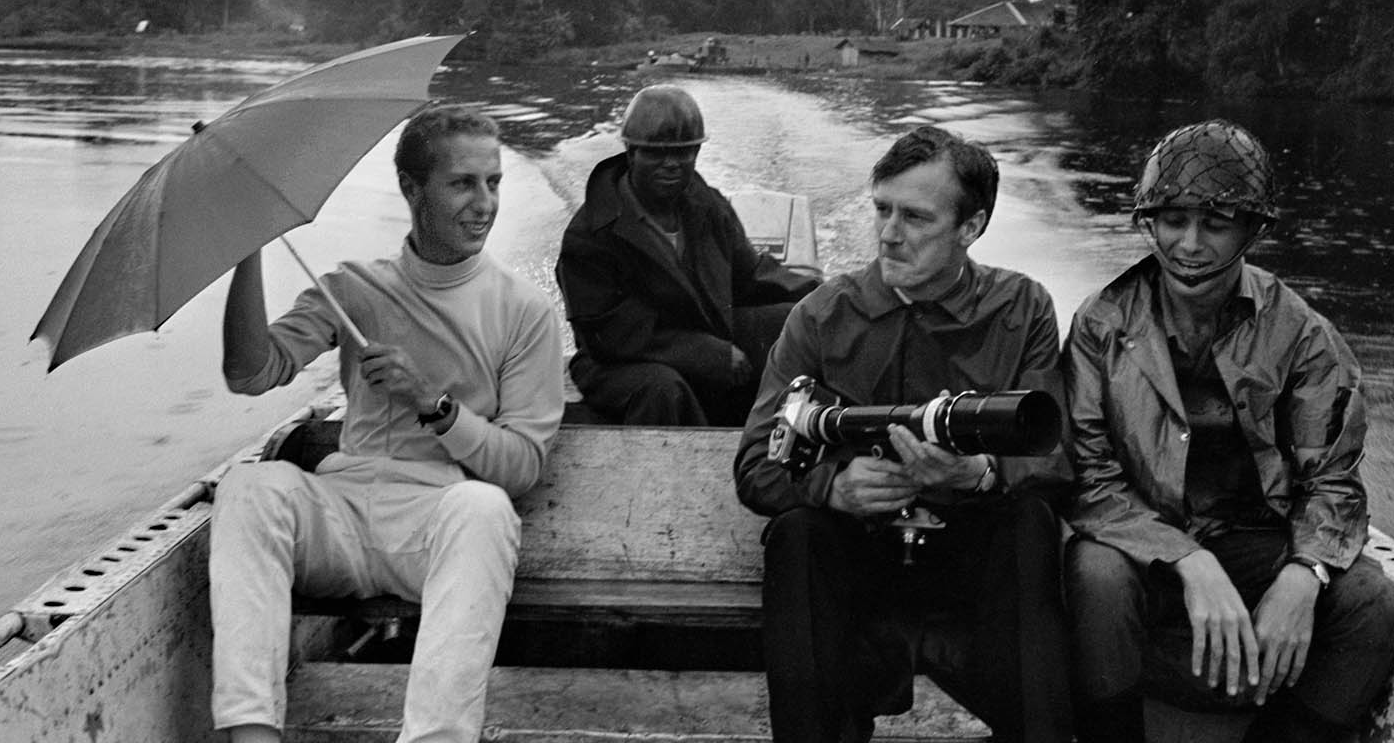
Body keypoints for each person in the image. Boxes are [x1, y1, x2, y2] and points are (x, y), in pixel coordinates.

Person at [207, 105, 565, 743]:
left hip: (434, 527)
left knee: (484, 510)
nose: (484, 203)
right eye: (463, 183)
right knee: (248, 488)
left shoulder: (524, 311)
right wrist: (246, 252)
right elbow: (250, 372)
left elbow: (522, 466)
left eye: (494, 182)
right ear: (412, 189)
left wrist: (435, 403)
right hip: (341, 517)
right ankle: (252, 732)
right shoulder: (355, 290)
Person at [734, 125, 1073, 743]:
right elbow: (757, 464)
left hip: (971, 558)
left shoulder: (1022, 310)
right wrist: (833, 489)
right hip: (859, 556)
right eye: (882, 210)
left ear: (970, 227)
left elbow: (1055, 457)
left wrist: (978, 473)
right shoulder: (819, 316)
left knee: (1031, 527)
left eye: (916, 217)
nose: (889, 233)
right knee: (797, 536)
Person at [1063, 119, 1394, 743]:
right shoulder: (1100, 324)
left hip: (1260, 542)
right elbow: (1089, 477)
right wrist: (1188, 560)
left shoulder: (1304, 334)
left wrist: (1304, 574)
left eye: (1214, 224)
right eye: (1172, 221)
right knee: (1095, 576)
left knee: (1373, 604)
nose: (1188, 244)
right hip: (1142, 544)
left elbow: (1334, 482)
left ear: (1252, 230)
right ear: (1149, 223)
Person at [555, 84, 820, 426]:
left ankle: (777, 440)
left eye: (684, 152)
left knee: (800, 324)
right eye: (656, 153)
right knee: (664, 390)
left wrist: (824, 296)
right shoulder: (591, 235)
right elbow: (617, 336)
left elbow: (750, 276)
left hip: (705, 330)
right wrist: (707, 354)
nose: (672, 164)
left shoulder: (705, 203)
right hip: (617, 361)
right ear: (631, 152)